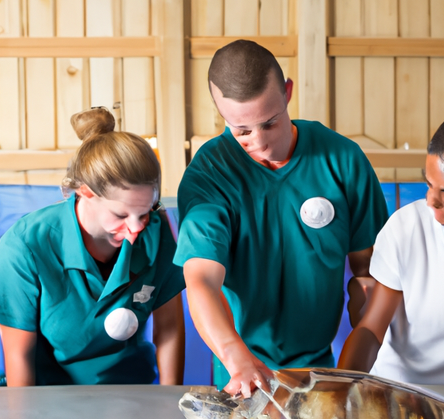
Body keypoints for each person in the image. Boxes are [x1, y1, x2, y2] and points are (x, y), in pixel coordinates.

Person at [174, 39, 388, 397]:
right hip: (240, 367)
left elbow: (372, 272)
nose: (258, 142)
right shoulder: (208, 175)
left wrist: (367, 333)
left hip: (322, 365)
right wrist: (235, 357)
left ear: (287, 93)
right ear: (221, 112)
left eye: (269, 123)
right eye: (241, 131)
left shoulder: (342, 159)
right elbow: (202, 281)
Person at [338, 80, 444, 384]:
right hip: (402, 398)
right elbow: (370, 328)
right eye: (428, 182)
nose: (431, 199)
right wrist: (337, 391)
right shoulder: (407, 227)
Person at [0, 107, 185, 386]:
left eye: (145, 212)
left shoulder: (156, 232)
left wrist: (173, 407)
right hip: (48, 400)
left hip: (131, 394)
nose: (136, 231)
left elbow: (169, 329)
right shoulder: (25, 246)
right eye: (121, 216)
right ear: (85, 193)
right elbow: (18, 357)